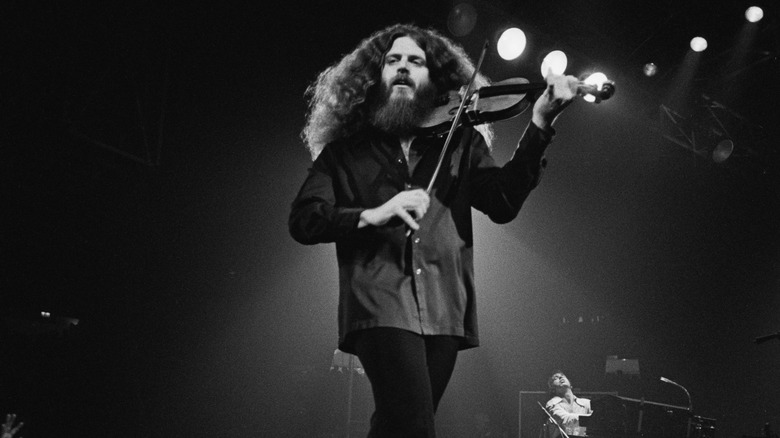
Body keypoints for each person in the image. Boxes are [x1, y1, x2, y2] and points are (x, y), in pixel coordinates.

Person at [289, 23, 580, 437]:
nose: (404, 68)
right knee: (413, 424)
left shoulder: (460, 143)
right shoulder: (344, 153)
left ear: (434, 79)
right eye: (394, 61)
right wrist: (373, 213)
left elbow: (502, 203)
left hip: (444, 309)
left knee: (399, 427)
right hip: (379, 304)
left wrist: (539, 124)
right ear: (376, 78)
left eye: (416, 61)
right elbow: (303, 219)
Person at [544, 371, 592, 437]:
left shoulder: (586, 403)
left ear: (571, 385)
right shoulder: (552, 403)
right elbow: (564, 421)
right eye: (556, 378)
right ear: (552, 389)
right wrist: (591, 419)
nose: (560, 377)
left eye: (562, 376)